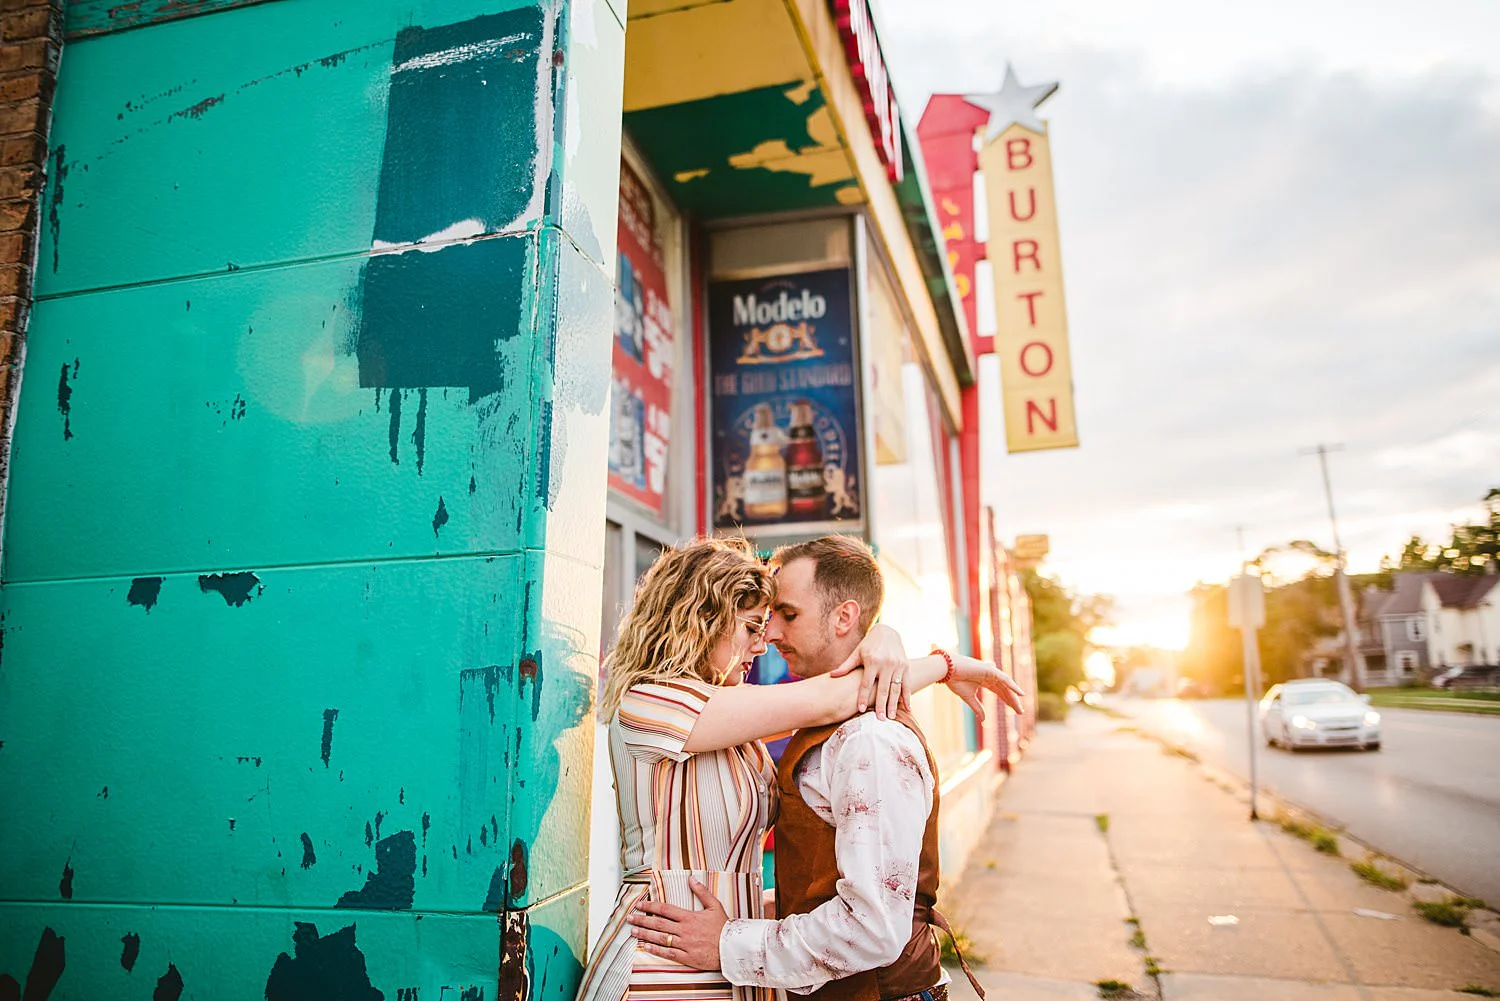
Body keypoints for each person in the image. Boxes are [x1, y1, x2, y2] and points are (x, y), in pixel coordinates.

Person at [577, 535, 1022, 1001]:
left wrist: (885, 641)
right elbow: (840, 697)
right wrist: (944, 663)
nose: (763, 642)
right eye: (752, 626)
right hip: (663, 961)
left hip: (732, 961)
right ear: (702, 621)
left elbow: (846, 699)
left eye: (776, 620)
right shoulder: (655, 702)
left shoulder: (736, 727)